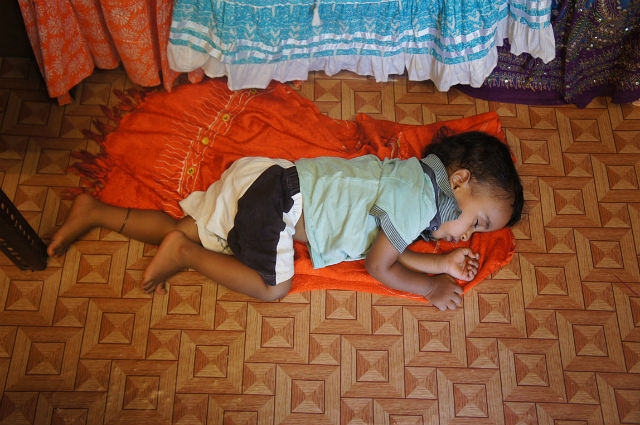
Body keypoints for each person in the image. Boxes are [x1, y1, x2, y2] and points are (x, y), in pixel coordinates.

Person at [48, 130, 523, 311]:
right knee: (273, 287)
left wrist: (441, 264)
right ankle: (184, 255)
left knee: (190, 224)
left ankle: (96, 212)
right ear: (458, 180)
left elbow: (391, 246)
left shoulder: (412, 179)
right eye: (477, 222)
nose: (467, 235)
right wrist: (430, 287)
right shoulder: (418, 201)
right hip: (279, 207)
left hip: (267, 177)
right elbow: (381, 265)